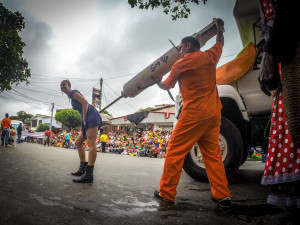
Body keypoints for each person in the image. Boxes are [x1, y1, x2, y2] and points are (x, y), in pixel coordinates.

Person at [154, 18, 231, 207]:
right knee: (212, 155)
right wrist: (220, 28)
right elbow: (219, 42)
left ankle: (166, 193)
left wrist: (157, 81)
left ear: (188, 45)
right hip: (213, 114)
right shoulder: (210, 56)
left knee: (174, 152)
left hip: (193, 116)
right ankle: (222, 195)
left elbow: (167, 85)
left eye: (180, 47)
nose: (179, 51)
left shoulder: (181, 64)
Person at [258, 0, 300, 208]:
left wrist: (270, 51)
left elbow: (288, 10)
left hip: (291, 53)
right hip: (286, 56)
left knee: (292, 117)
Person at [60, 80, 102, 183]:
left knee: (91, 144)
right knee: (78, 143)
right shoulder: (71, 96)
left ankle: (88, 174)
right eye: (61, 85)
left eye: (64, 84)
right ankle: (82, 168)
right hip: (86, 116)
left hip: (90, 116)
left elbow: (85, 102)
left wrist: (83, 119)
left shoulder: (73, 92)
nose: (62, 86)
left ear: (69, 86)